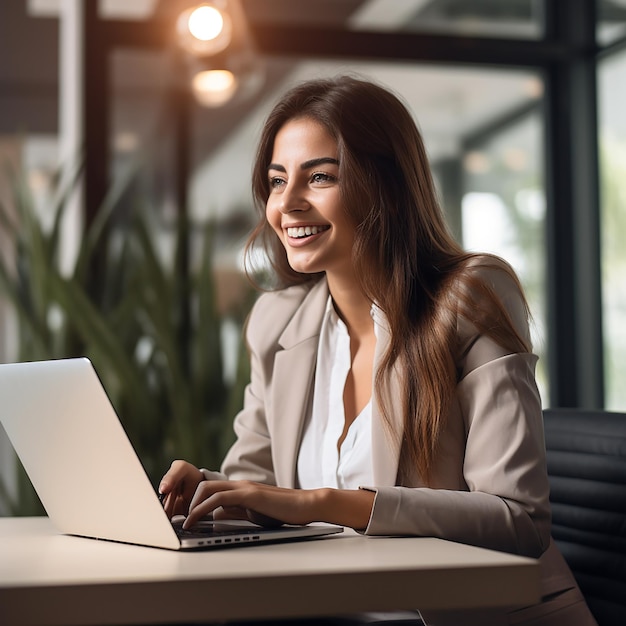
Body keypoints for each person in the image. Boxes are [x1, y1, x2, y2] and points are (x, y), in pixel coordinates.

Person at [159, 75, 597, 626]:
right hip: (328, 612)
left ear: (384, 185)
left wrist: (324, 503)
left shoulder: (470, 298)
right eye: (276, 181)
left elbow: (518, 520)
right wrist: (209, 492)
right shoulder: (277, 322)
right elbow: (257, 486)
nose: (287, 204)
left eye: (319, 177)